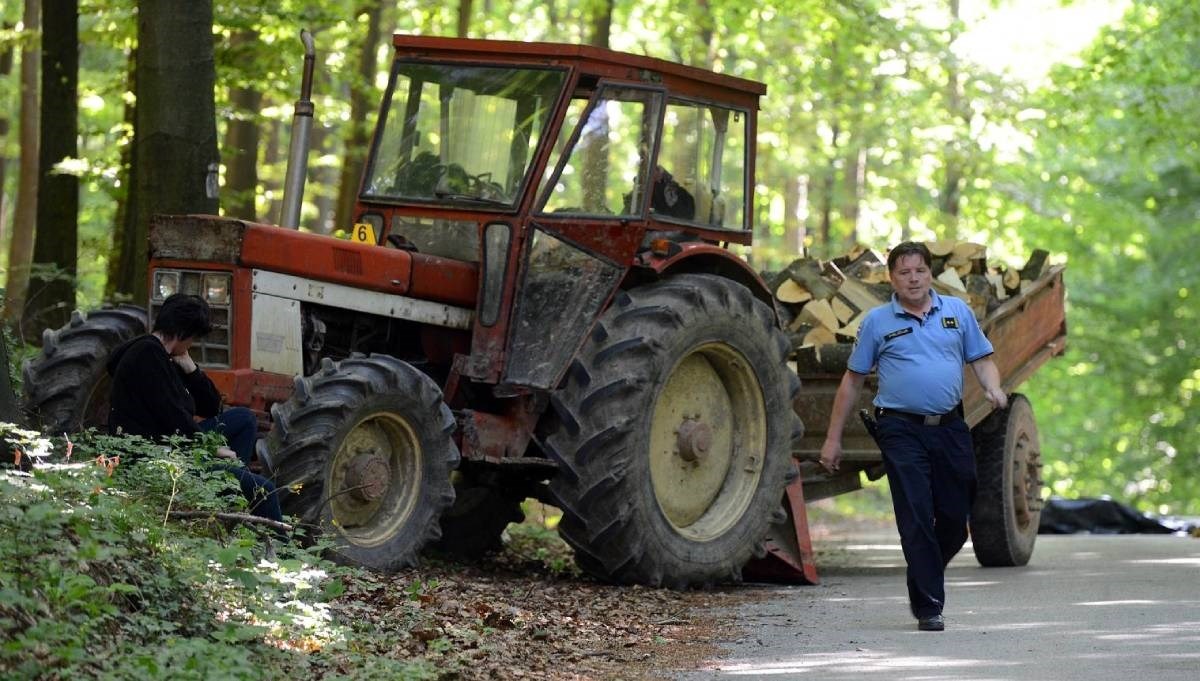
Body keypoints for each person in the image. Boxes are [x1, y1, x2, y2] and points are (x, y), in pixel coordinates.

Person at [819, 241, 1007, 632]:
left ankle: (923, 572)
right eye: (904, 272)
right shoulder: (876, 322)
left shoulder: (957, 312)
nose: (913, 278)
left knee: (955, 518)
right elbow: (852, 382)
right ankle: (929, 605)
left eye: (919, 270)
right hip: (900, 429)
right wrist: (832, 439)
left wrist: (992, 387)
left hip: (951, 427)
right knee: (916, 513)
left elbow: (982, 361)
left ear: (929, 273)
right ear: (892, 279)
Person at [106, 293, 283, 525]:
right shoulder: (147, 355)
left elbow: (211, 407)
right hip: (157, 456)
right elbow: (171, 415)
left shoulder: (169, 356)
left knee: (244, 419)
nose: (193, 345)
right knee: (265, 489)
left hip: (174, 443)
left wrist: (192, 370)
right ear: (183, 333)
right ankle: (281, 549)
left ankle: (228, 494)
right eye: (193, 339)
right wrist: (210, 448)